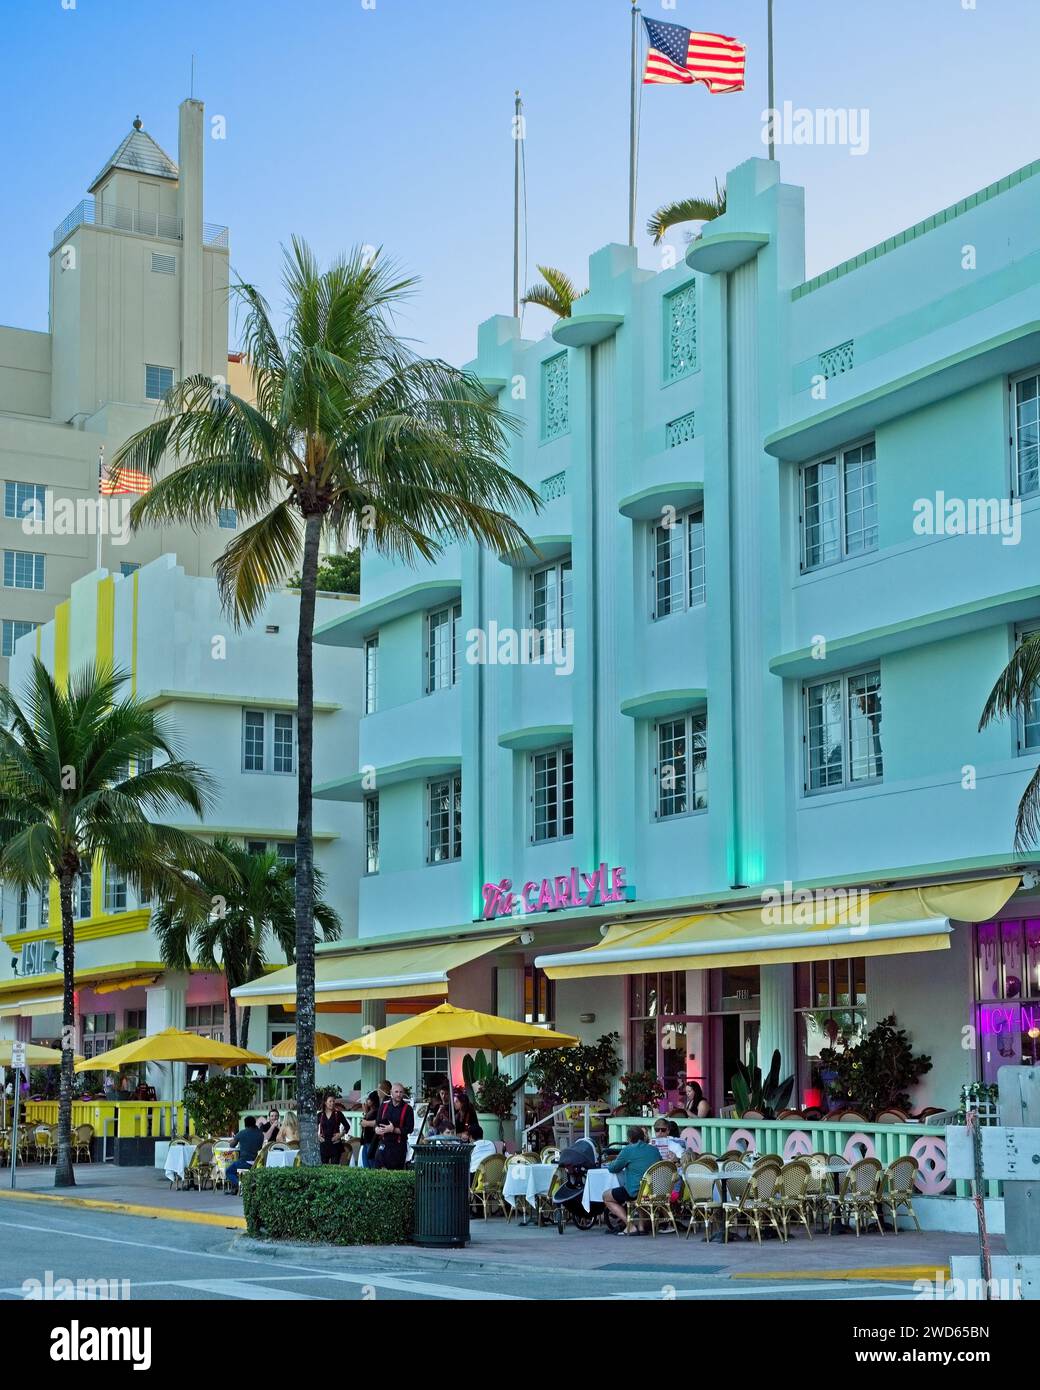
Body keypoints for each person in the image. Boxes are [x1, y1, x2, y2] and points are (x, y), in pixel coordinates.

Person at [602, 1126, 659, 1234]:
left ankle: (630, 1225)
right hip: (652, 1190)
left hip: (635, 1191)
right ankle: (641, 1227)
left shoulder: (628, 1150)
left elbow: (614, 1168)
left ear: (629, 1139)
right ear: (643, 1137)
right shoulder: (654, 1150)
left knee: (606, 1196)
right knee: (641, 1192)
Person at [372, 1083, 414, 1170]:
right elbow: (377, 1122)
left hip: (398, 1146)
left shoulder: (408, 1109)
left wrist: (393, 1129)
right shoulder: (384, 1106)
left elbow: (409, 1129)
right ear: (391, 1092)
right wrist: (376, 1129)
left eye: (401, 1092)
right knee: (378, 1168)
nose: (399, 1094)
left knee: (395, 1172)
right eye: (396, 1092)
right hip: (383, 1143)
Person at [225, 1116, 265, 1195]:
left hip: (244, 1162)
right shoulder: (260, 1134)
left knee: (229, 1171)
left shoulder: (242, 1133)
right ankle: (237, 1188)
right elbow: (260, 1147)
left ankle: (241, 1185)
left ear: (245, 1124)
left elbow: (232, 1145)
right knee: (235, 1167)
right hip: (256, 1163)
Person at [317, 1094, 351, 1164]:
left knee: (334, 1166)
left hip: (335, 1143)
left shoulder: (338, 1114)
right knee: (323, 1167)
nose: (332, 1103)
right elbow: (312, 1128)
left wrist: (341, 1134)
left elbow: (347, 1126)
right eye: (330, 1101)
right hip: (324, 1144)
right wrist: (317, 1136)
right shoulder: (320, 1115)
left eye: (333, 1101)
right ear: (325, 1103)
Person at [358, 1090, 381, 1166]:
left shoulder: (377, 1111)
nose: (366, 1101)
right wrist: (365, 1112)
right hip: (365, 1140)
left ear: (373, 1100)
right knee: (365, 1162)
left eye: (368, 1099)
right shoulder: (369, 1111)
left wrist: (366, 1123)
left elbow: (377, 1122)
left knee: (371, 1161)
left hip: (372, 1140)